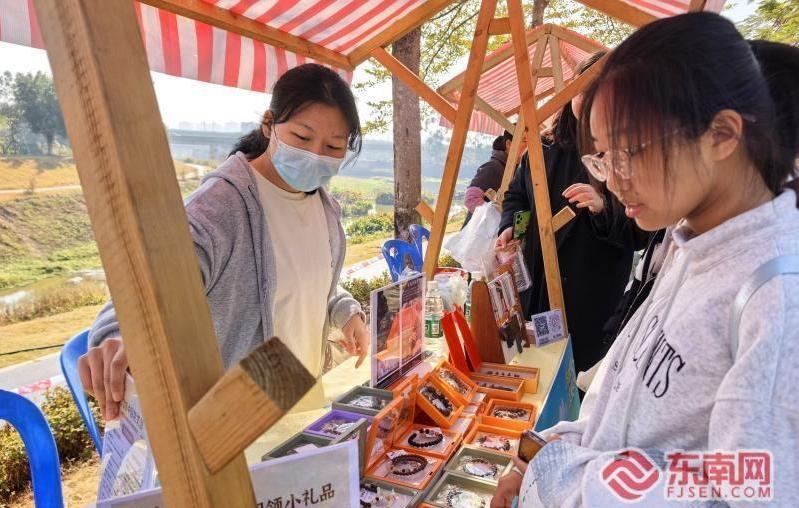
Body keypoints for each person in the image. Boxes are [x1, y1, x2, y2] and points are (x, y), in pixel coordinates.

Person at [492, 14, 799, 507]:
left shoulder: (776, 296)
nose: (612, 179)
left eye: (628, 152)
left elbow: (750, 488)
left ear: (721, 135)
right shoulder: (690, 246)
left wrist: (561, 476)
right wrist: (551, 448)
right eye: (602, 157)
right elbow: (625, 403)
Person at [79, 63, 370, 420]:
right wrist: (120, 336)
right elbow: (147, 288)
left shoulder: (324, 208)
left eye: (333, 146)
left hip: (301, 411)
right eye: (302, 138)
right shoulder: (220, 209)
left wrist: (346, 312)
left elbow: (308, 281)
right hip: (237, 426)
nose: (315, 155)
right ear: (269, 124)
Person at [497, 51, 648, 375]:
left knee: (575, 378)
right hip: (537, 287)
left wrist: (603, 206)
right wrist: (510, 225)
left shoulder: (628, 157)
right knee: (536, 369)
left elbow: (640, 234)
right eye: (585, 90)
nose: (592, 101)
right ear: (570, 94)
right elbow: (516, 195)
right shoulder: (542, 149)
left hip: (590, 298)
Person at [462, 130, 513, 226]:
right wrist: (497, 216)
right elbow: (470, 199)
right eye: (524, 141)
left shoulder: (511, 169)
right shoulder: (493, 167)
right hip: (480, 232)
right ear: (508, 144)